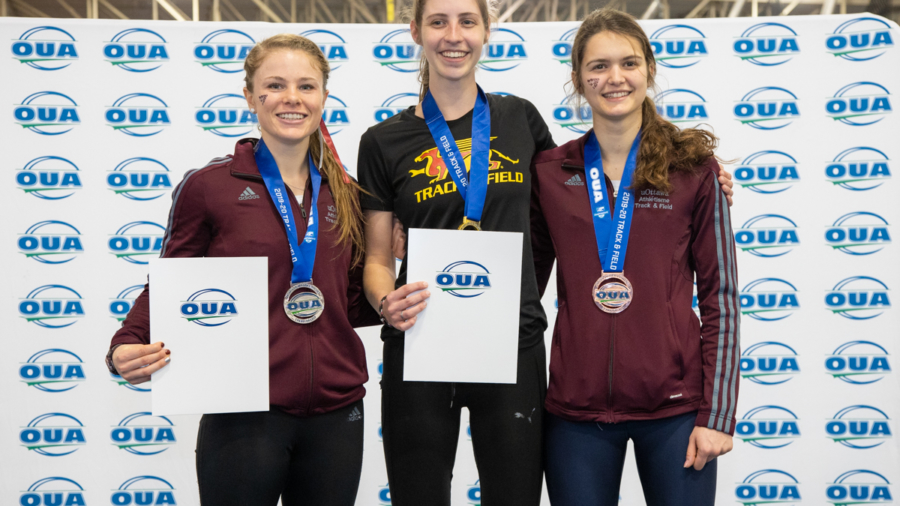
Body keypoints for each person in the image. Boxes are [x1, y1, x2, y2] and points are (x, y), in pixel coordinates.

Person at [357, 2, 734, 505]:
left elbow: (716, 294)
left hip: (550, 356)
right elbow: (381, 258)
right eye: (438, 21)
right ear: (415, 31)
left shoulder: (521, 122)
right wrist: (390, 289)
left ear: (487, 31)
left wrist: (706, 175)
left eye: (468, 20)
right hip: (446, 346)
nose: (454, 35)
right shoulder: (389, 141)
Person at [105, 34, 377, 506]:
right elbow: (171, 281)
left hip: (338, 412)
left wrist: (400, 287)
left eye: (306, 86)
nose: (292, 98)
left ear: (324, 98)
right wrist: (125, 343)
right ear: (250, 97)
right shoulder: (209, 187)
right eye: (275, 85)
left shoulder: (348, 194)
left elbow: (350, 299)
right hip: (243, 411)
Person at [530, 9, 740, 506]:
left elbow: (721, 298)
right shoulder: (551, 172)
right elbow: (519, 280)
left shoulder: (692, 169)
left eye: (628, 63)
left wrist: (718, 414)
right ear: (578, 78)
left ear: (648, 69)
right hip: (575, 414)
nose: (614, 78)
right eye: (598, 66)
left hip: (675, 411)